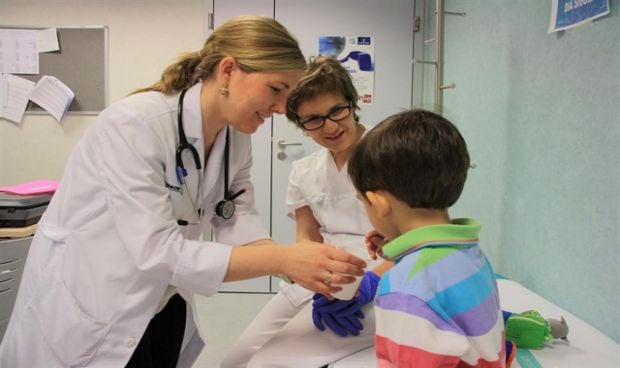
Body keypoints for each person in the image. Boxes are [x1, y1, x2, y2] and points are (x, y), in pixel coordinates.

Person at [0, 16, 366, 368]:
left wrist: (295, 267)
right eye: (275, 90)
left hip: (162, 299)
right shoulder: (134, 125)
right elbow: (157, 251)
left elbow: (235, 212)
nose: (281, 108)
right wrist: (283, 260)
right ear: (227, 71)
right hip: (92, 303)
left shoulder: (235, 136)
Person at [221, 56, 392, 368]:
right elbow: (307, 242)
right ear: (300, 125)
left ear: (352, 103)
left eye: (336, 111)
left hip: (380, 280)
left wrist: (368, 286)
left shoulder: (391, 155)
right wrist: (321, 285)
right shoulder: (304, 171)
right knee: (236, 360)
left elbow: (416, 240)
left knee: (268, 363)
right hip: (321, 279)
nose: (330, 126)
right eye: (313, 120)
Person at [348, 109, 508, 367]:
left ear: (378, 203)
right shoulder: (470, 253)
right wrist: (394, 245)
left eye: (363, 203)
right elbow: (435, 271)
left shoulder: (404, 287)